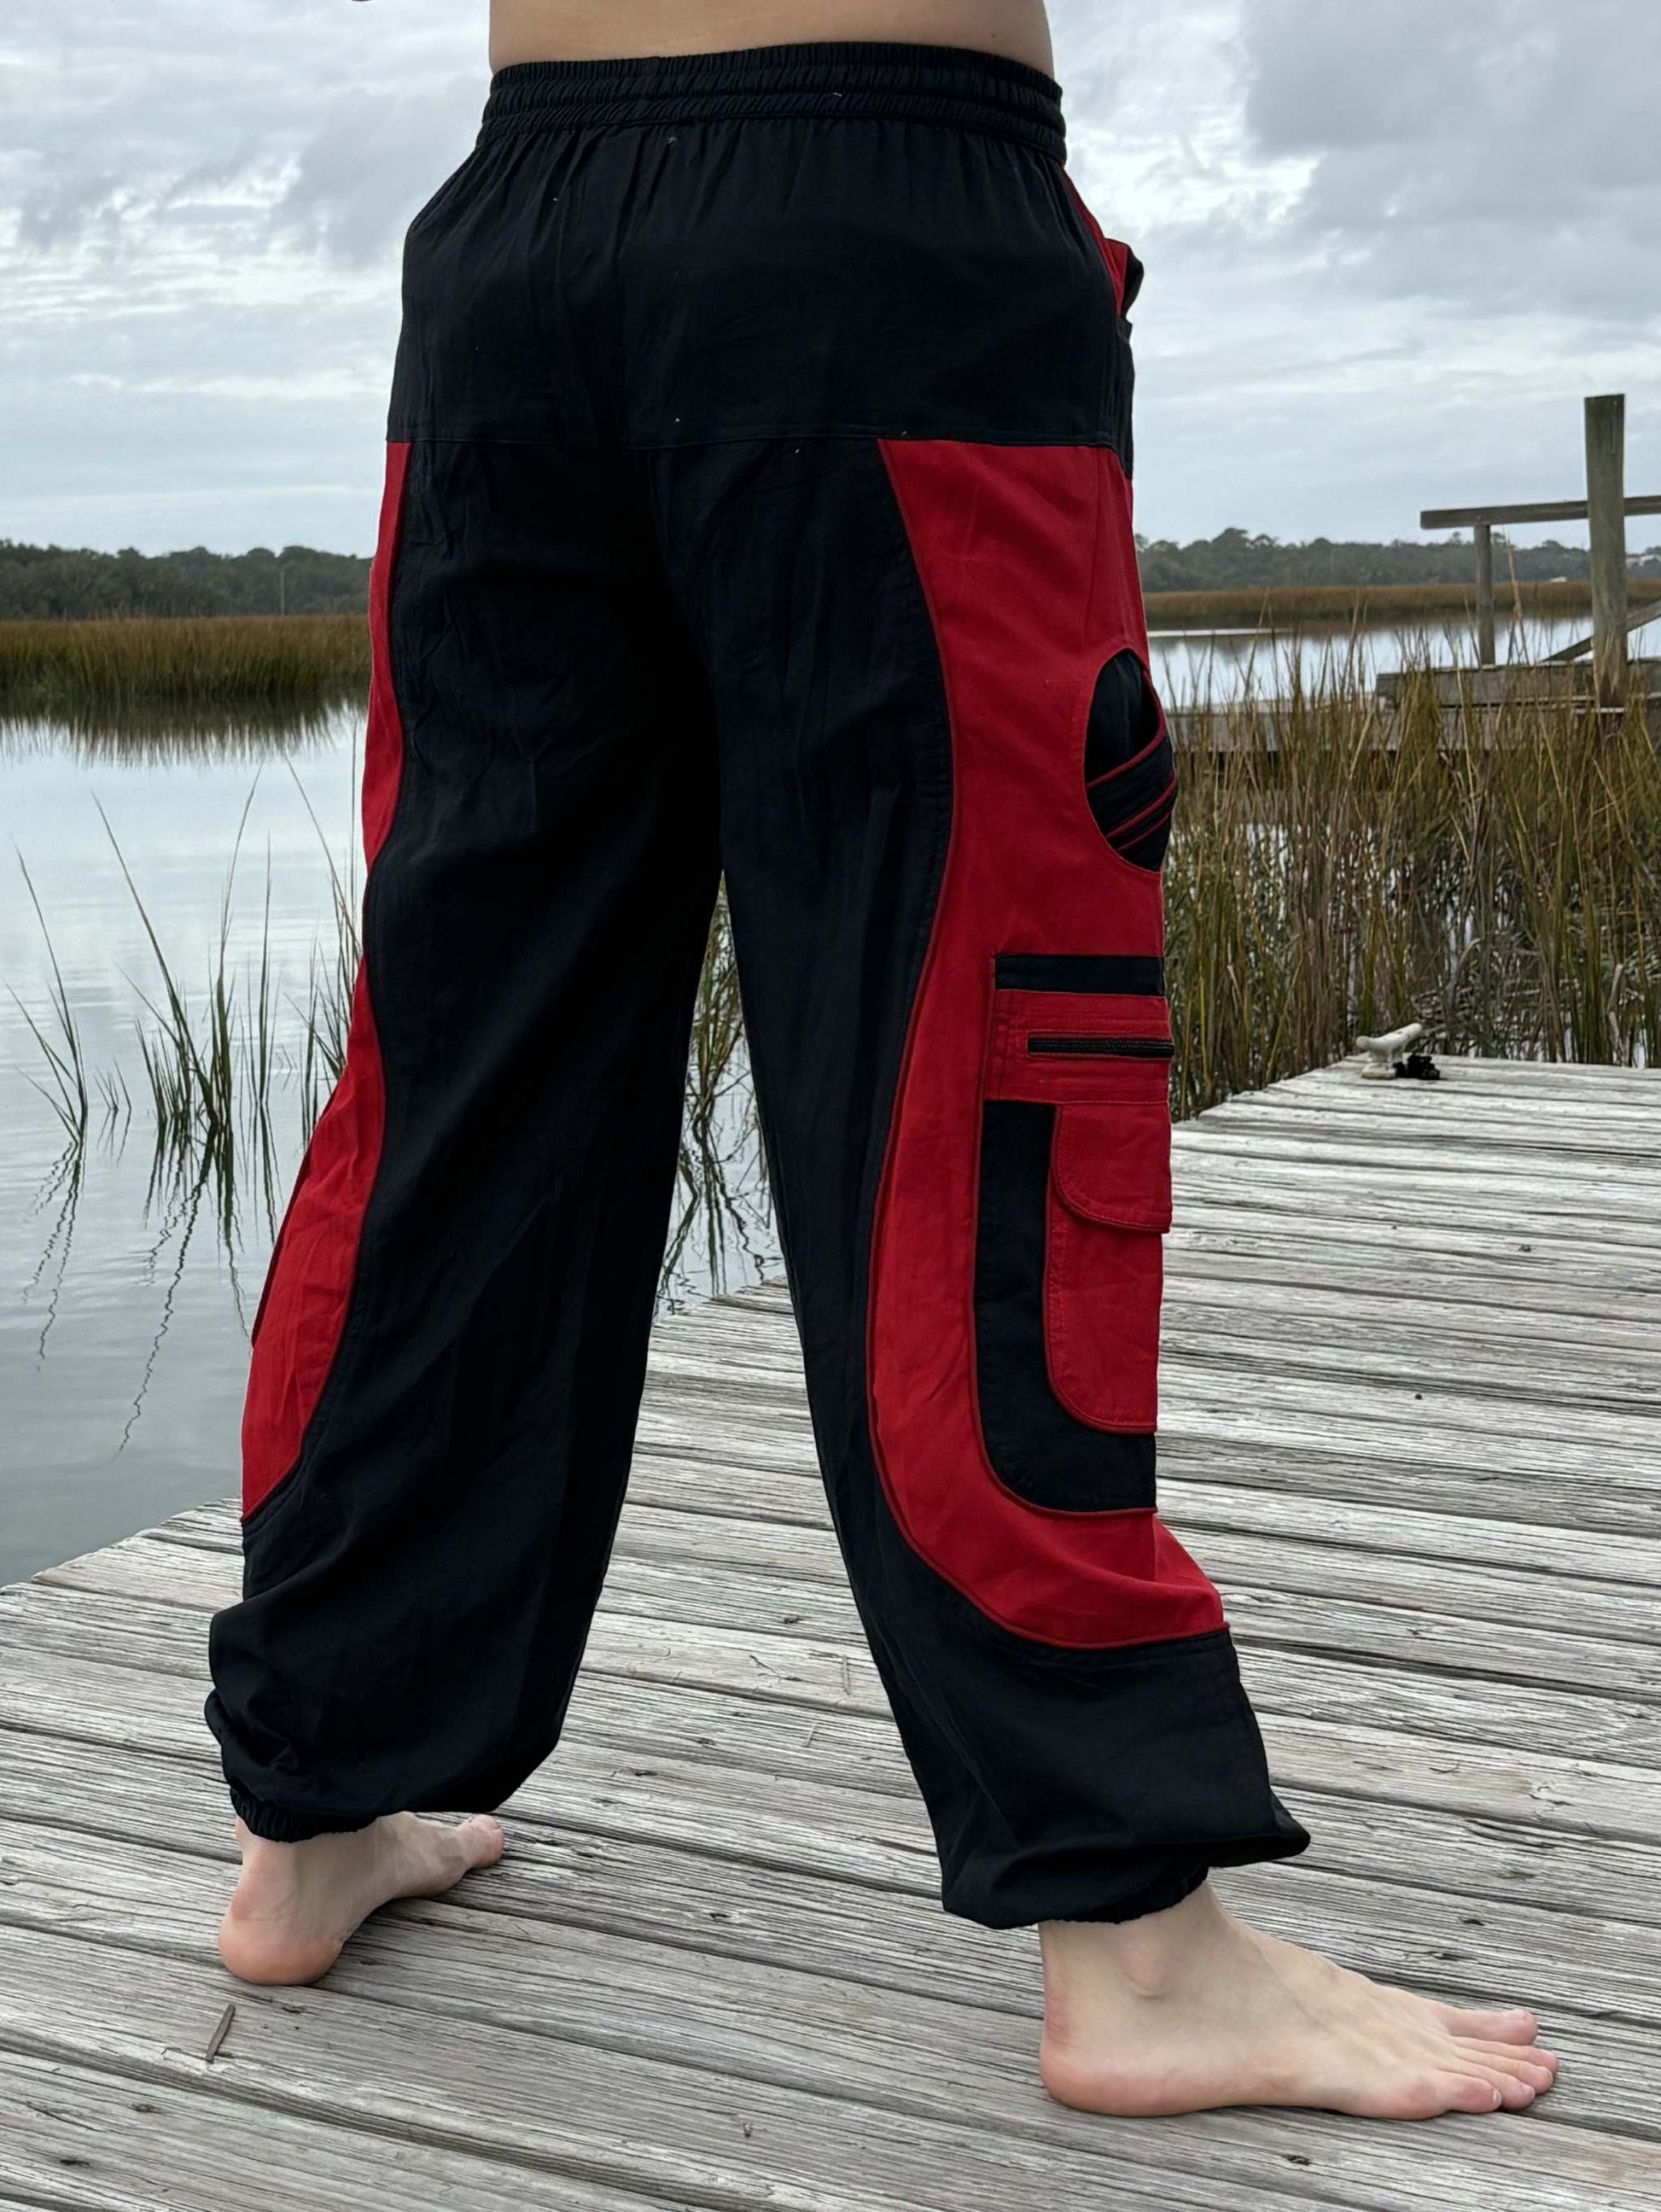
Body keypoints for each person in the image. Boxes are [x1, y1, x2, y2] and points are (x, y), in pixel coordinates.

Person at [207, 0, 1559, 2122]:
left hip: (516, 240)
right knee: (989, 1075)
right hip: (883, 213)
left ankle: (315, 1807)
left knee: (456, 1084)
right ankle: (1130, 1938)